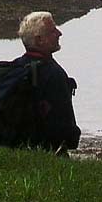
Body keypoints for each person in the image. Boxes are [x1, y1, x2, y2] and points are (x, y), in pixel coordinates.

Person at [10, 10, 80, 153]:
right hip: (46, 149)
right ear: (39, 40)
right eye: (52, 31)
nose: (59, 33)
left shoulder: (15, 68)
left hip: (15, 144)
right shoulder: (54, 74)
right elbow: (67, 128)